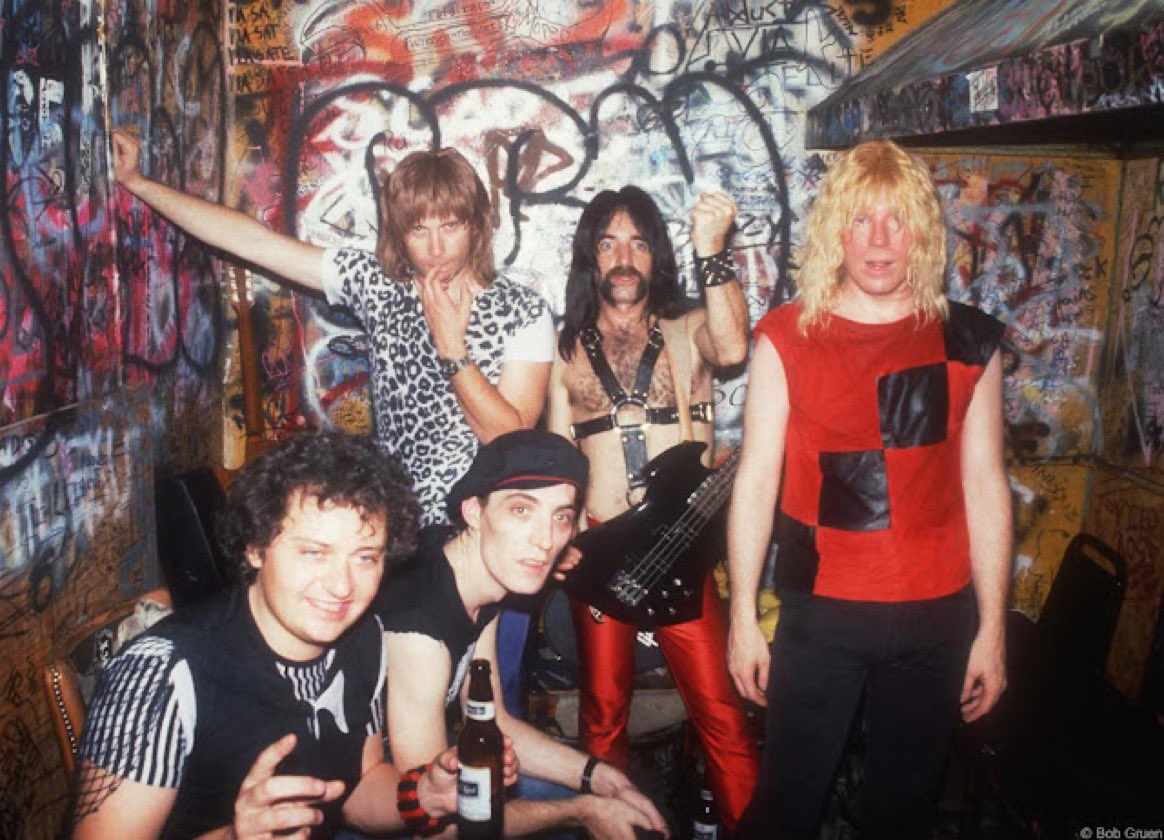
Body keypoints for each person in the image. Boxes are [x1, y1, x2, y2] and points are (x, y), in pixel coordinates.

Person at [110, 129, 550, 715]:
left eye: (450, 225)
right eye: (419, 229)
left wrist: (453, 353)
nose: (437, 246)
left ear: (477, 224)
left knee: (484, 713)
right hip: (396, 540)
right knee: (386, 704)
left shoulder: (522, 310)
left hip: (484, 540)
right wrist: (139, 184)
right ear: (400, 233)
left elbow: (511, 440)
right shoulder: (379, 285)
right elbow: (254, 241)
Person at [726, 140, 1011, 839]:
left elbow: (986, 485)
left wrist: (994, 632)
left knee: (902, 816)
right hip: (820, 613)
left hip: (937, 617)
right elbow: (756, 481)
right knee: (785, 810)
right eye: (861, 220)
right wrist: (740, 619)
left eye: (897, 219)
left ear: (924, 230)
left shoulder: (970, 340)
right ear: (835, 232)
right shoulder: (786, 337)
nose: (880, 240)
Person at [70, 430, 489, 838]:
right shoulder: (160, 675)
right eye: (313, 553)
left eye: (364, 558)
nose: (342, 587)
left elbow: (354, 788)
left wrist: (421, 796)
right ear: (255, 548)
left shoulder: (364, 638)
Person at [546, 186, 759, 831]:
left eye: (638, 242)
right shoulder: (565, 351)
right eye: (609, 243)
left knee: (721, 714)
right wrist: (561, 541)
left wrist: (712, 252)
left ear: (656, 256)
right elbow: (559, 458)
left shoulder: (689, 328)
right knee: (602, 719)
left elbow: (734, 349)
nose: (624, 257)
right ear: (591, 258)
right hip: (604, 551)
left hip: (683, 551)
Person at [378, 429, 670, 839]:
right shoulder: (420, 627)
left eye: (562, 516)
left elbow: (493, 720)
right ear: (474, 513)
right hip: (353, 804)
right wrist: (581, 810)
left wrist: (599, 777)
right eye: (521, 510)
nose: (546, 540)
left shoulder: (481, 577)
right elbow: (436, 827)